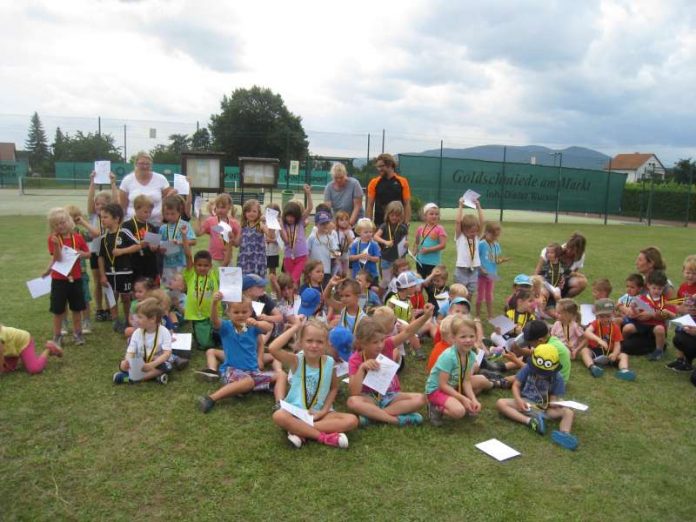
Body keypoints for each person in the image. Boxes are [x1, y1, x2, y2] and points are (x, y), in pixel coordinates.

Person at [269, 319, 359, 449]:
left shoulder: (330, 362)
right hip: (295, 412)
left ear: (327, 344)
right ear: (301, 342)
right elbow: (273, 348)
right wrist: (295, 328)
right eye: (309, 341)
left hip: (318, 414)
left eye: (319, 342)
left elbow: (334, 388)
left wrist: (324, 411)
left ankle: (299, 429)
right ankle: (323, 437)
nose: (314, 345)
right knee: (279, 416)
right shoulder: (296, 360)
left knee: (352, 420)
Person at [198, 296, 286, 413]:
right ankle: (210, 398)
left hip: (253, 372)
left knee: (281, 375)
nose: (240, 315)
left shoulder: (252, 327)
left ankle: (280, 404)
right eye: (236, 312)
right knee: (248, 382)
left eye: (244, 312)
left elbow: (269, 326)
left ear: (250, 312)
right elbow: (214, 320)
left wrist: (258, 324)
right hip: (232, 371)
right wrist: (214, 303)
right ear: (228, 313)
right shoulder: (226, 327)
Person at [347, 311, 433, 427]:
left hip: (390, 396)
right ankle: (396, 420)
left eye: (382, 340)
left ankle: (373, 417)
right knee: (352, 402)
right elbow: (354, 392)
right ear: (362, 343)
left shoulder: (387, 345)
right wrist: (362, 368)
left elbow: (407, 332)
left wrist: (426, 316)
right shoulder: (355, 359)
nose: (380, 345)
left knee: (421, 399)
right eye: (375, 342)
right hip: (369, 398)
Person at [495, 343, 579, 450]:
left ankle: (564, 434)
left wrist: (555, 404)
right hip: (527, 403)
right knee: (500, 403)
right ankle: (530, 422)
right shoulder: (527, 368)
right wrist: (518, 400)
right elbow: (516, 385)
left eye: (545, 373)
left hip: (546, 408)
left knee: (568, 412)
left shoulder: (558, 378)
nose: (541, 375)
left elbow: (553, 399)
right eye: (538, 371)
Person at [425, 316, 483, 426]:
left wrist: (473, 399)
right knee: (459, 412)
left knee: (470, 407)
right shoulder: (448, 356)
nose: (468, 340)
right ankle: (434, 407)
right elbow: (442, 385)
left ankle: (454, 403)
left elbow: (466, 381)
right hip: (436, 390)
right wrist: (463, 398)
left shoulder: (471, 356)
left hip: (452, 387)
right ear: (453, 338)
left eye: (472, 336)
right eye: (463, 337)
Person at [46, 207, 90, 346]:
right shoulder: (53, 239)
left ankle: (78, 334)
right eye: (57, 224)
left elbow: (88, 254)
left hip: (76, 278)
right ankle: (57, 336)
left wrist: (80, 253)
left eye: (63, 222)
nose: (61, 225)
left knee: (76, 308)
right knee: (58, 309)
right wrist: (56, 246)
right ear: (53, 227)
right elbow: (57, 259)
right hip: (59, 279)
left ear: (69, 221)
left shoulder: (77, 237)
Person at [98, 203, 141, 333]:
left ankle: (128, 320)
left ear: (116, 218)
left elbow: (138, 246)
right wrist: (102, 275)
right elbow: (101, 257)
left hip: (124, 271)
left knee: (126, 297)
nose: (102, 220)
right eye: (101, 217)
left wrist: (122, 251)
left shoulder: (124, 232)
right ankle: (116, 320)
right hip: (109, 273)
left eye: (105, 217)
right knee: (112, 296)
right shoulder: (103, 238)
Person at [113, 298, 172, 385]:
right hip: (140, 361)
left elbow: (167, 354)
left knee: (167, 366)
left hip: (156, 362)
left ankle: (129, 378)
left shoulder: (164, 332)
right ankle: (150, 377)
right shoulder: (137, 332)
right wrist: (127, 361)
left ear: (152, 319)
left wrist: (153, 364)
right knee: (122, 365)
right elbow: (130, 351)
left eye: (140, 317)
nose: (136, 320)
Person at [85, 170, 119, 321]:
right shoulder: (93, 216)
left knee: (110, 282)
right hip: (95, 252)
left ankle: (109, 307)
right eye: (97, 204)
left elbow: (117, 203)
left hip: (109, 253)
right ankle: (99, 309)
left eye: (103, 204)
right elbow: (90, 200)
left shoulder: (111, 216)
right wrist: (92, 181)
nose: (99, 206)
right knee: (98, 282)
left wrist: (113, 183)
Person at [624, 270, 677, 361]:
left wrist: (662, 312)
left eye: (659, 289)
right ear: (648, 286)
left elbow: (673, 315)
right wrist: (633, 309)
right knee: (627, 328)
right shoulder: (641, 298)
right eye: (654, 288)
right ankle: (621, 342)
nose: (656, 291)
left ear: (663, 287)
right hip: (642, 324)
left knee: (659, 329)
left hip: (656, 325)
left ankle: (659, 350)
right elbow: (633, 313)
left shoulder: (665, 301)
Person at [181, 233, 219, 350]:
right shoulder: (191, 274)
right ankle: (199, 337)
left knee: (219, 336)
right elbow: (188, 256)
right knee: (206, 345)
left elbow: (227, 261)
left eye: (206, 265)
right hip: (197, 316)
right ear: (194, 265)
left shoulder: (213, 274)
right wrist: (184, 236)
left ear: (210, 266)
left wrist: (229, 244)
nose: (202, 268)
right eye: (199, 265)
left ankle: (208, 336)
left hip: (212, 313)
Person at [582, 298, 636, 381]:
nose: (605, 319)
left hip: (610, 354)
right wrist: (599, 340)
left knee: (624, 355)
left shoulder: (615, 327)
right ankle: (592, 367)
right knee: (585, 351)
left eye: (608, 316)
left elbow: (618, 344)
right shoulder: (596, 323)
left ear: (613, 314)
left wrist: (614, 354)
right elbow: (587, 332)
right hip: (595, 351)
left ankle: (624, 370)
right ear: (597, 315)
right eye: (601, 316)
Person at [119, 151, 172, 226]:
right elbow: (123, 206)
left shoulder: (161, 179)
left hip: (156, 224)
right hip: (132, 225)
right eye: (141, 163)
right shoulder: (127, 180)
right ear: (136, 164)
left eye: (147, 164)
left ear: (151, 165)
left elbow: (168, 201)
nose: (144, 166)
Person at [534, 232, 588, 298]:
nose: (568, 251)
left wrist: (563, 280)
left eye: (572, 250)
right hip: (546, 279)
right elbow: (537, 271)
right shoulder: (551, 251)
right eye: (568, 247)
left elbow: (571, 273)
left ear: (579, 251)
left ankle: (564, 301)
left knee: (582, 282)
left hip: (561, 282)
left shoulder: (580, 256)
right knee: (543, 291)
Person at [159, 195, 196, 288]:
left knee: (181, 287)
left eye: (172, 214)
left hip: (181, 263)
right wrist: (161, 249)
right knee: (169, 287)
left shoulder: (185, 225)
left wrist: (180, 242)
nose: (170, 216)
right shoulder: (163, 228)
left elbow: (193, 241)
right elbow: (159, 245)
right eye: (167, 214)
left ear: (179, 212)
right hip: (167, 264)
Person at [121, 195, 160, 283]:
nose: (148, 214)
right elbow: (125, 245)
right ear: (136, 209)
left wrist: (155, 247)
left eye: (150, 212)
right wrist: (140, 244)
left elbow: (155, 246)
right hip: (134, 263)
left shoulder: (151, 227)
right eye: (145, 212)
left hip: (149, 265)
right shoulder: (127, 226)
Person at [194, 193, 240, 267]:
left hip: (227, 259)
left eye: (223, 207)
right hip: (213, 259)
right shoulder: (210, 221)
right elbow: (198, 233)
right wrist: (198, 218)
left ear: (229, 207)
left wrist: (232, 239)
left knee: (226, 278)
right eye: (218, 207)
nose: (220, 210)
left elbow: (237, 244)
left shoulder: (234, 223)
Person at [667, 255, 696, 372]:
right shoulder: (683, 286)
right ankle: (680, 359)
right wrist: (676, 307)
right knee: (678, 334)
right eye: (688, 272)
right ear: (683, 271)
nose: (690, 275)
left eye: (694, 273)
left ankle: (688, 363)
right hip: (685, 318)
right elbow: (677, 301)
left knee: (686, 338)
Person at [366, 153, 411, 226]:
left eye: (381, 166)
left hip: (398, 224)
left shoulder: (402, 181)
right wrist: (368, 223)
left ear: (390, 165)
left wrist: (406, 223)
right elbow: (370, 205)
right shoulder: (374, 182)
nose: (379, 169)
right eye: (378, 167)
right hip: (379, 223)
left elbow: (407, 204)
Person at [280, 187, 313, 285]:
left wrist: (308, 194)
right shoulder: (284, 225)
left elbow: (310, 208)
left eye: (293, 216)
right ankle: (292, 299)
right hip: (288, 257)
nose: (290, 218)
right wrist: (281, 227)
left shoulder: (300, 222)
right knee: (291, 281)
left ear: (297, 216)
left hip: (302, 256)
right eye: (288, 216)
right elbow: (286, 240)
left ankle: (294, 298)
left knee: (294, 278)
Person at [454, 197, 485, 299]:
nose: (474, 233)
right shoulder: (460, 237)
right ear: (464, 229)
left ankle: (465, 311)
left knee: (470, 294)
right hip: (462, 270)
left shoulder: (476, 237)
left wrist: (478, 207)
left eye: (476, 231)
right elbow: (458, 222)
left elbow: (482, 222)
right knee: (460, 293)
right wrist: (460, 206)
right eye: (471, 231)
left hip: (474, 269)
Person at [373, 201, 408, 287]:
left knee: (397, 280)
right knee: (386, 280)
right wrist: (385, 242)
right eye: (392, 215)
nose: (394, 217)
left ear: (401, 216)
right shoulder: (384, 226)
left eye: (397, 215)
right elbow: (375, 236)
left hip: (398, 259)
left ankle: (392, 297)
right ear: (388, 215)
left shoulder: (403, 227)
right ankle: (379, 296)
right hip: (386, 258)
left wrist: (406, 244)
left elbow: (405, 241)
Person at [477, 221, 508, 319]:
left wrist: (500, 260)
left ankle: (490, 315)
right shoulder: (481, 244)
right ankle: (477, 315)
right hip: (481, 275)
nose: (495, 238)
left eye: (497, 237)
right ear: (487, 233)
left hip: (492, 274)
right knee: (480, 296)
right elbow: (475, 258)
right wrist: (481, 268)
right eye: (493, 236)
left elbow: (495, 259)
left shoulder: (496, 245)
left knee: (489, 295)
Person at [323, 162, 364, 227]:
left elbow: (357, 206)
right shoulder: (328, 187)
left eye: (341, 177)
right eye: (336, 178)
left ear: (345, 175)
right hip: (339, 222)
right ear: (332, 176)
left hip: (356, 221)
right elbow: (327, 209)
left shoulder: (355, 184)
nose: (339, 180)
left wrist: (349, 224)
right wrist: (333, 224)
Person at [413, 203, 447, 280]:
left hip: (433, 262)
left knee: (431, 284)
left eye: (436, 214)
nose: (434, 216)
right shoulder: (420, 228)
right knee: (420, 283)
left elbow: (443, 245)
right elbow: (417, 242)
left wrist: (428, 250)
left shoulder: (440, 229)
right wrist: (414, 251)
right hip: (420, 261)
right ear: (425, 216)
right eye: (431, 214)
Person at [307, 209, 339, 287]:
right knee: (314, 287)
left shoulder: (331, 238)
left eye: (327, 223)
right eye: (322, 223)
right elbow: (307, 251)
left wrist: (336, 256)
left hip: (326, 269)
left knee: (325, 288)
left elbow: (336, 252)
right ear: (316, 224)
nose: (325, 225)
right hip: (314, 270)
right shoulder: (312, 237)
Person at [237, 198, 268, 278]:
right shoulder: (242, 227)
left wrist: (267, 223)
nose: (251, 213)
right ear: (244, 213)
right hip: (244, 260)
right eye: (248, 211)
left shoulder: (260, 225)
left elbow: (270, 235)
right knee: (245, 284)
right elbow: (237, 243)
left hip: (258, 260)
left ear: (259, 213)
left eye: (254, 211)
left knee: (257, 283)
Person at [334, 210, 355, 276]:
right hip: (337, 254)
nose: (344, 222)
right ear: (337, 221)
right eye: (342, 220)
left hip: (346, 254)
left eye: (346, 220)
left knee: (345, 273)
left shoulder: (350, 231)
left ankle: (344, 283)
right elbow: (333, 244)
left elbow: (352, 243)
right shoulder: (335, 231)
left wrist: (347, 235)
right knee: (338, 271)